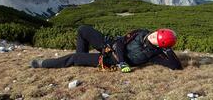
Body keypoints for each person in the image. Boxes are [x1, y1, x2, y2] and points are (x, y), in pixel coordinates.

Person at [30, 25, 183, 72]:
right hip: (109, 46)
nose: (153, 36)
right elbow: (120, 43)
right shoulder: (140, 33)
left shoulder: (155, 54)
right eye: (156, 33)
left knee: (73, 58)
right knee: (83, 30)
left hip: (109, 59)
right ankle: (82, 60)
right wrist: (123, 62)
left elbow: (176, 66)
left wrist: (168, 48)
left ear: (160, 45)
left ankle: (43, 64)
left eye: (157, 38)